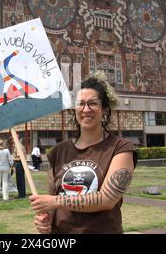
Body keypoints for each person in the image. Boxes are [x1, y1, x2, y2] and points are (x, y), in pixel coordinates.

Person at [29, 71, 138, 234]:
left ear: (104, 109)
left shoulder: (120, 148)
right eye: (81, 103)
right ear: (74, 109)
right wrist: (45, 221)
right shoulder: (58, 151)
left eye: (93, 103)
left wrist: (55, 202)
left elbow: (107, 199)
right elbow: (52, 196)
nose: (86, 109)